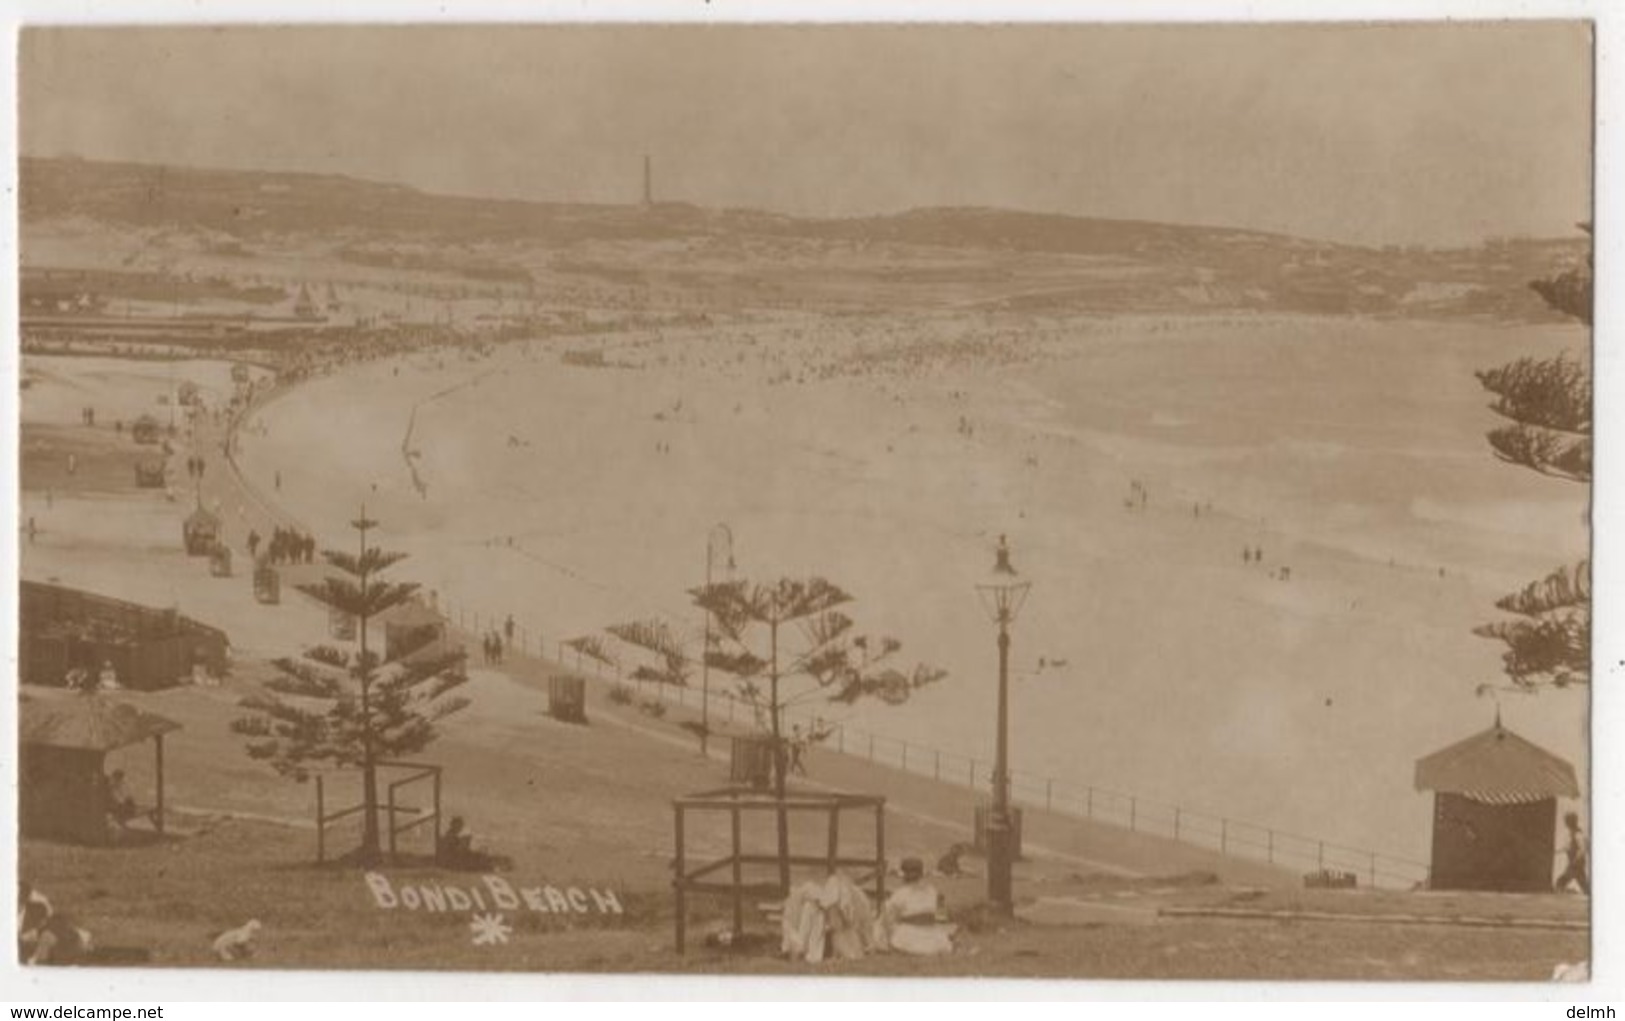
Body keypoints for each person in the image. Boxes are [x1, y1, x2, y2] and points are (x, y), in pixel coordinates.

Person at [874, 857, 954, 956]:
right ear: (921, 874)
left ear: (903, 875)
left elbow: (887, 919)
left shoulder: (900, 894)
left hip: (909, 939)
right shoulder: (933, 891)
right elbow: (942, 917)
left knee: (881, 923)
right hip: (935, 939)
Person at [1556, 811, 1590, 894]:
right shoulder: (1572, 833)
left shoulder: (1578, 833)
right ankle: (1588, 894)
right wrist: (1559, 851)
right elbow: (1569, 846)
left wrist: (1577, 858)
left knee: (1561, 881)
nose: (1566, 823)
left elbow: (1583, 848)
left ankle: (1560, 897)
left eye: (1567, 821)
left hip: (1576, 863)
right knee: (1582, 882)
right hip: (1574, 862)